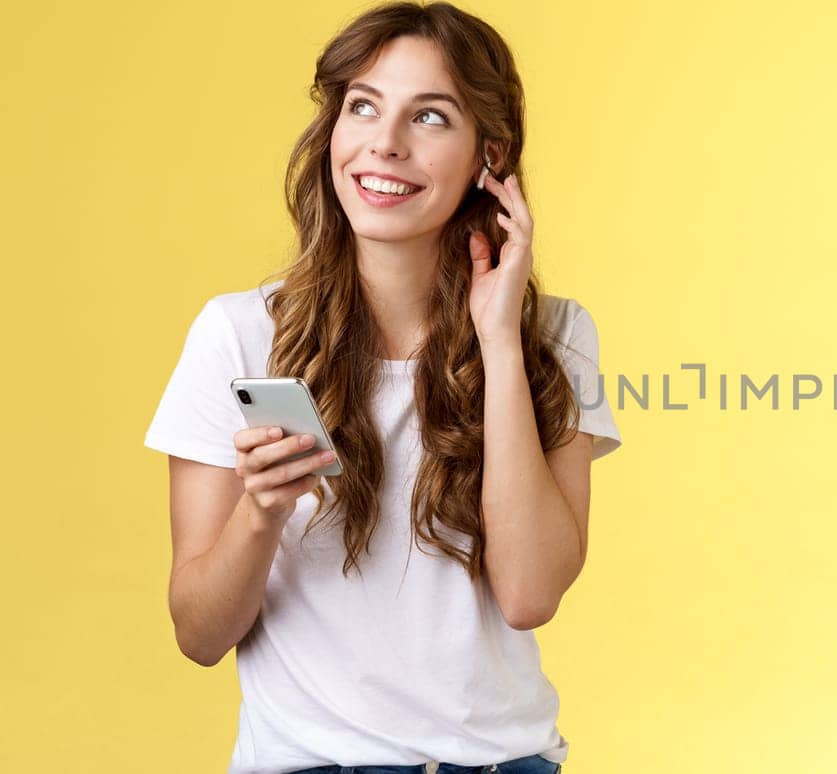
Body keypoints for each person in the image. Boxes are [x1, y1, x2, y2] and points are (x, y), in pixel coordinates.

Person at [143, 3, 620, 772]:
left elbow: (530, 594)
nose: (385, 144)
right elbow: (198, 635)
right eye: (363, 106)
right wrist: (261, 514)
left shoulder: (555, 338)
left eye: (429, 117)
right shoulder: (238, 335)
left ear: (488, 156)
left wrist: (498, 342)